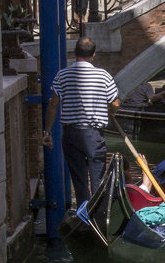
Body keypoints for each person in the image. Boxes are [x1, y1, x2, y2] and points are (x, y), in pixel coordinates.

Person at [42, 36, 121, 205]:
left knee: (79, 183)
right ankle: (97, 217)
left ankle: (84, 216)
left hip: (71, 135)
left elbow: (53, 105)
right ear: (93, 55)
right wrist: (110, 113)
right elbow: (115, 103)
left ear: (74, 53)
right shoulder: (103, 76)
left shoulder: (62, 75)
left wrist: (47, 132)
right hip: (93, 136)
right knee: (98, 180)